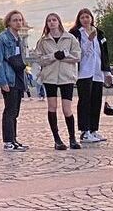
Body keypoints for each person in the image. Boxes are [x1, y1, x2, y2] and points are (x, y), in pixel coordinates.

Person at [32, 13, 81, 150]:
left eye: (54, 20)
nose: (52, 22)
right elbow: (39, 59)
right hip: (50, 77)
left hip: (67, 76)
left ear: (59, 22)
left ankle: (72, 138)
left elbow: (77, 56)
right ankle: (57, 139)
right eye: (49, 21)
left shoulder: (70, 38)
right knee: (52, 107)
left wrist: (64, 56)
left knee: (67, 109)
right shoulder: (43, 41)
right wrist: (53, 56)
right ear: (46, 24)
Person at [70, 8, 113, 144]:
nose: (85, 20)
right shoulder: (75, 34)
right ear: (79, 19)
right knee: (85, 101)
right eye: (82, 17)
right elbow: (78, 52)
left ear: (91, 18)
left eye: (87, 17)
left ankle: (94, 129)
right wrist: (88, 40)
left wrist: (107, 72)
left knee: (96, 101)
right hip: (83, 72)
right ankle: (85, 131)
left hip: (97, 71)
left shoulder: (99, 33)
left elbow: (104, 53)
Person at [0, 10, 28, 152]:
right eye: (15, 20)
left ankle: (13, 139)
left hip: (18, 77)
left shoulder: (19, 38)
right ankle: (8, 141)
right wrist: (2, 81)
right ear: (8, 22)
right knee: (9, 110)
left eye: (20, 20)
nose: (18, 23)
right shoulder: (2, 38)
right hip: (9, 78)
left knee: (15, 111)